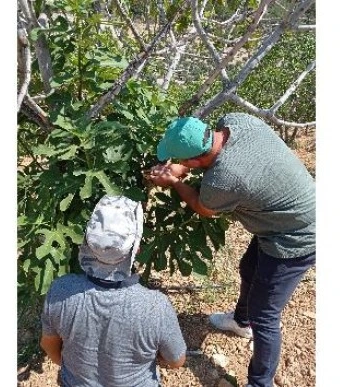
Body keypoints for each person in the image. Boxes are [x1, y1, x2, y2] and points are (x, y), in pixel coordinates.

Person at [148, 113, 315, 387]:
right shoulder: (238, 120)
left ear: (192, 161)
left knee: (266, 315)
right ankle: (241, 321)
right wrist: (184, 168)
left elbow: (203, 207)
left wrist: (176, 181)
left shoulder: (223, 181)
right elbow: (209, 162)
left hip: (296, 237)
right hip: (289, 212)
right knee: (249, 268)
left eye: (180, 160)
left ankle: (261, 382)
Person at [40, 195, 187, 387]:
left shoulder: (61, 291)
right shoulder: (155, 307)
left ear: (87, 241)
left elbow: (49, 346)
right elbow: (176, 361)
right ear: (136, 248)